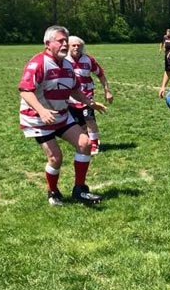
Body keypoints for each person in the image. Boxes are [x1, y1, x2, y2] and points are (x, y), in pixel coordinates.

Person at [19, 25, 107, 206]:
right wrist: (42, 110)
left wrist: (90, 102)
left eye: (66, 41)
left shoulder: (67, 65)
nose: (65, 44)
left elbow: (74, 89)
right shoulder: (38, 63)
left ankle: (80, 190)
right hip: (38, 119)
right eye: (60, 41)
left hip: (61, 115)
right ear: (47, 43)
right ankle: (53, 191)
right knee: (56, 158)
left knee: (85, 144)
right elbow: (25, 91)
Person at [66, 36, 113, 155]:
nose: (77, 47)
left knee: (89, 119)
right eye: (74, 45)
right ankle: (88, 139)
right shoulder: (64, 61)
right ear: (68, 47)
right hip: (70, 98)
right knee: (79, 124)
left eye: (79, 45)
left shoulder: (88, 60)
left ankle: (94, 144)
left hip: (87, 96)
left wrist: (107, 91)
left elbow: (101, 75)